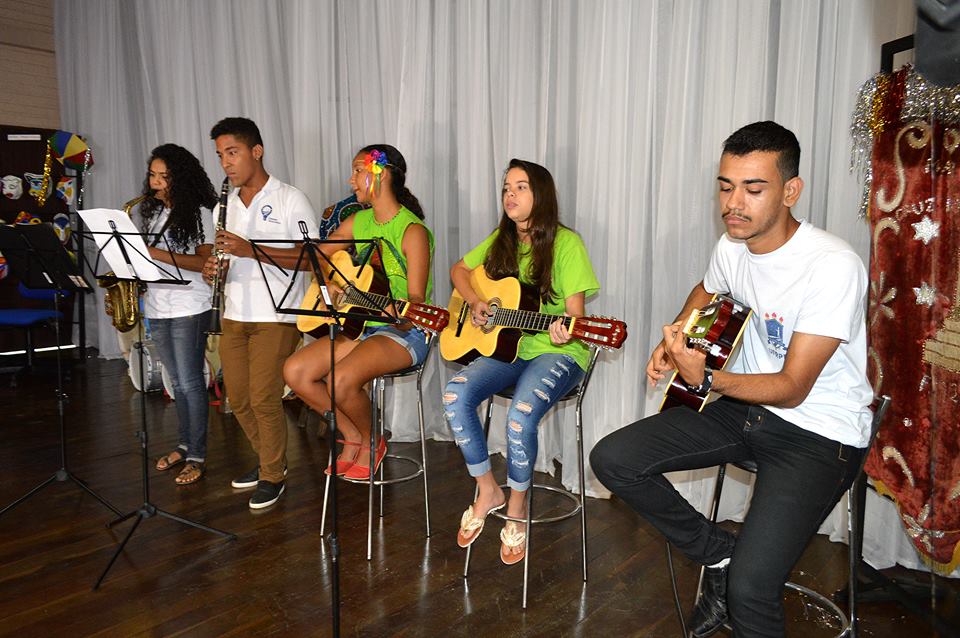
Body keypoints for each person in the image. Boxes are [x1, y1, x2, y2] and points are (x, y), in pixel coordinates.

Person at [590, 121, 873, 637]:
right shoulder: (732, 245)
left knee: (752, 591)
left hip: (820, 433)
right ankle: (720, 554)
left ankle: (737, 574)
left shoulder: (833, 266)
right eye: (725, 186)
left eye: (753, 188)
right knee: (613, 459)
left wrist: (710, 378)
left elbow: (793, 387)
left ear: (791, 190)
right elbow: (706, 289)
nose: (733, 203)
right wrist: (673, 338)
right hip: (749, 408)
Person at [443, 159, 599, 565]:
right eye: (506, 188)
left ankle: (516, 506)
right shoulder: (502, 240)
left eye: (521, 187)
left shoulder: (567, 244)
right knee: (455, 394)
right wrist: (477, 302)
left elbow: (576, 317)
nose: (510, 195)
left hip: (559, 351)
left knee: (519, 415)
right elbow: (458, 270)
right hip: (511, 350)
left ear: (541, 195)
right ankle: (487, 488)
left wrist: (567, 329)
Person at [283, 144, 433, 480]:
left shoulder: (413, 232)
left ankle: (371, 440)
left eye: (357, 170)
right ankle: (352, 434)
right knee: (296, 371)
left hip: (404, 331)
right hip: (362, 325)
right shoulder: (357, 221)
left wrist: (394, 310)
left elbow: (414, 305)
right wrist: (332, 285)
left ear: (381, 173)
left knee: (341, 381)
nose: (351, 180)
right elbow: (317, 258)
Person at [203, 117, 319, 509]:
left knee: (264, 398)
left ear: (257, 151)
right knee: (238, 398)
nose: (226, 163)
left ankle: (272, 474)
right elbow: (225, 255)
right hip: (234, 311)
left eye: (232, 153)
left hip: (277, 314)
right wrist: (213, 269)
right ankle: (271, 460)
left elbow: (313, 259)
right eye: (220, 156)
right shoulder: (225, 205)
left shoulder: (289, 198)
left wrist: (248, 248)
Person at [140, 143, 217, 485]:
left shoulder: (199, 213)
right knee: (176, 383)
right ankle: (184, 445)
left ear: (180, 178)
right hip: (157, 305)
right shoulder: (152, 212)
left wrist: (154, 253)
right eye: (153, 175)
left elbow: (204, 263)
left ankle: (197, 455)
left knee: (189, 382)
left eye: (164, 177)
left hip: (189, 305)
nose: (156, 183)